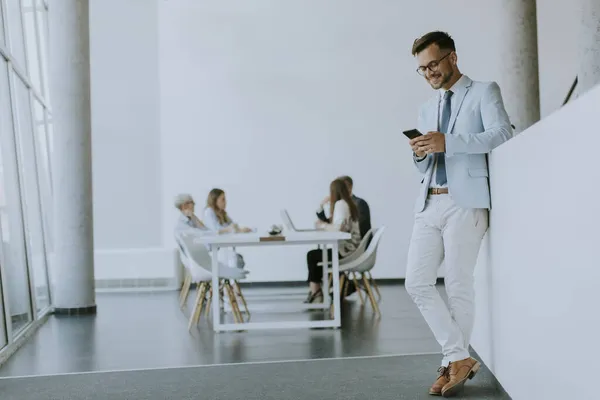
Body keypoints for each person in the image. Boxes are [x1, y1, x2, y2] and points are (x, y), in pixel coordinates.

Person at [404, 31, 512, 397]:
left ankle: (453, 363)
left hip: (464, 201)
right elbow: (423, 166)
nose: (430, 72)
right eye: (422, 69)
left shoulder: (484, 91)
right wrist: (420, 152)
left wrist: (449, 142)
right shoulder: (426, 107)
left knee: (457, 285)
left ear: (452, 57)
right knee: (415, 282)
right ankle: (459, 356)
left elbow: (502, 134)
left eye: (433, 63)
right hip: (429, 201)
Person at [304, 179, 361, 304]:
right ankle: (316, 292)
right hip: (351, 249)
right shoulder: (347, 203)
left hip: (345, 251)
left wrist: (322, 226)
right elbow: (336, 225)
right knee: (317, 256)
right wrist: (322, 209)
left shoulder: (341, 204)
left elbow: (338, 228)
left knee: (313, 256)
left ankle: (316, 293)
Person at [203, 188, 252, 269]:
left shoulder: (222, 213)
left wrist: (241, 230)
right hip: (213, 250)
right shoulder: (208, 212)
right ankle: (233, 281)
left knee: (237, 259)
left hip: (221, 249)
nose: (225, 202)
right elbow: (217, 230)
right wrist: (232, 229)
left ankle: (233, 281)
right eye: (223, 199)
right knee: (235, 259)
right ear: (215, 200)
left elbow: (231, 226)